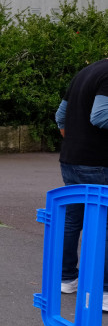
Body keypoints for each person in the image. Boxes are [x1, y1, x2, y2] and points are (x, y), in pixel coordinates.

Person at [54, 59, 108, 312]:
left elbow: (60, 117)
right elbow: (100, 115)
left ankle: (66, 278)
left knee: (72, 219)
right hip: (99, 163)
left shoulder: (86, 71)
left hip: (72, 159)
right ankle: (105, 291)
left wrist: (77, 141)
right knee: (105, 224)